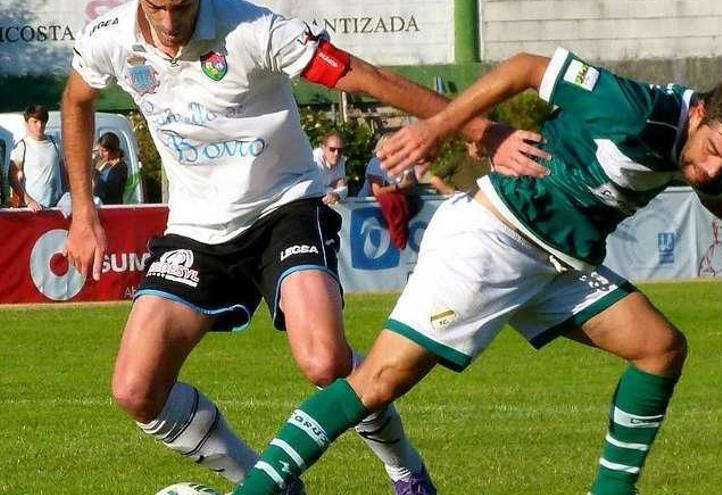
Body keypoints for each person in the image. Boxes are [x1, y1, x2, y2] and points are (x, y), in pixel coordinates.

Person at [230, 49, 722, 495]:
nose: (712, 169)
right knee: (380, 382)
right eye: (712, 151)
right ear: (701, 112)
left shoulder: (701, 152)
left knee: (660, 348)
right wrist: (443, 126)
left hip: (558, 264)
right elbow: (527, 66)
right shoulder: (631, 107)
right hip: (492, 240)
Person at [62, 1, 545, 494]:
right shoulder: (111, 37)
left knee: (324, 363)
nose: (168, 24)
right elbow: (77, 101)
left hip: (284, 207)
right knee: (135, 390)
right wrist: (84, 212)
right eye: (156, 6)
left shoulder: (255, 30)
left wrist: (481, 129)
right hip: (196, 228)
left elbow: (361, 74)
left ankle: (406, 472)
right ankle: (262, 483)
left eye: (182, 5)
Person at [9, 104, 64, 212]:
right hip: (33, 210)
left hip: (56, 207)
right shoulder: (22, 146)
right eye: (35, 121)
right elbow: (12, 177)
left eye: (43, 121)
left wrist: (67, 196)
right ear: (26, 123)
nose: (39, 125)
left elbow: (63, 172)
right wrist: (29, 201)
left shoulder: (55, 143)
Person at [93, 131, 129, 205]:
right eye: (100, 150)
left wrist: (95, 174)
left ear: (113, 150)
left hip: (110, 207)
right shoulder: (104, 163)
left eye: (104, 151)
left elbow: (106, 191)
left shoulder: (119, 168)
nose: (101, 154)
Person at [312, 132, 347, 205]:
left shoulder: (341, 159)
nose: (336, 153)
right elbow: (315, 193)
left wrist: (336, 195)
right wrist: (332, 187)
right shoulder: (314, 161)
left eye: (340, 150)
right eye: (332, 149)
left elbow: (343, 188)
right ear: (323, 148)